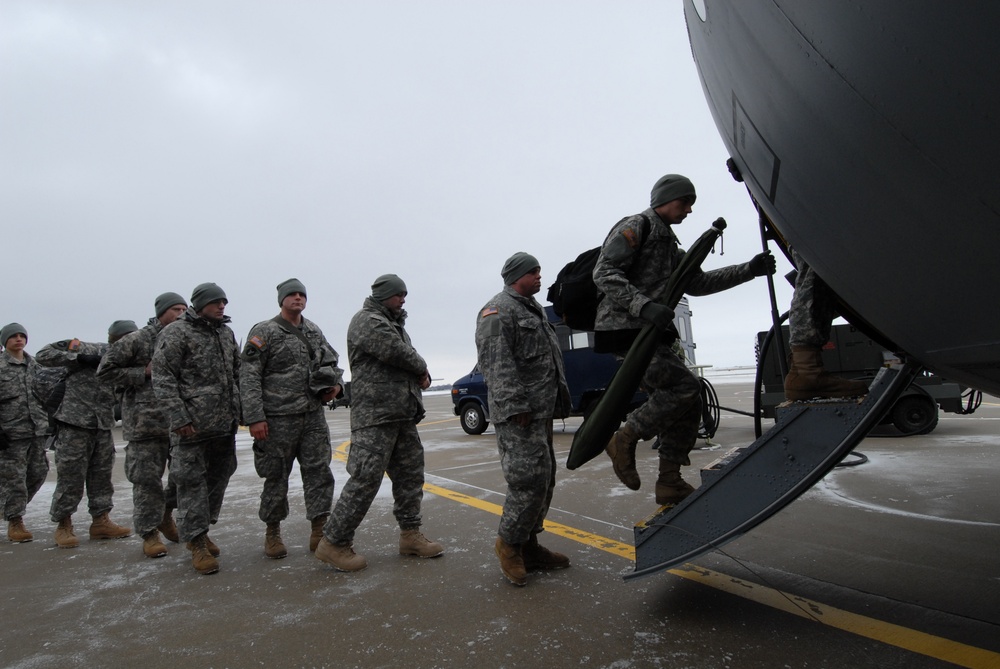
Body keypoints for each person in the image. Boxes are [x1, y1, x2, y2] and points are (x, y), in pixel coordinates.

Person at [593, 173, 775, 505]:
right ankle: (624, 436)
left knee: (690, 398)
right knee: (684, 387)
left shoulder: (669, 244)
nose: (689, 210)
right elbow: (603, 272)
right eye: (685, 202)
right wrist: (644, 306)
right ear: (664, 199)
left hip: (650, 330)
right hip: (624, 328)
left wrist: (749, 269)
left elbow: (698, 284)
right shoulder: (636, 227)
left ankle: (669, 480)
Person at [315, 274, 442, 572]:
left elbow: (403, 359)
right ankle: (333, 542)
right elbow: (394, 351)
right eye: (398, 294)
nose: (403, 299)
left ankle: (410, 535)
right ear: (383, 295)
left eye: (405, 294)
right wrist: (422, 366)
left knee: (411, 475)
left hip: (401, 414)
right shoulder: (367, 320)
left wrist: (420, 374)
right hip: (375, 417)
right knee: (365, 479)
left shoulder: (394, 323)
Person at [475, 253, 572, 586]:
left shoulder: (531, 309)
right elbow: (495, 361)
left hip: (540, 411)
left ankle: (529, 545)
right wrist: (515, 404)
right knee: (526, 481)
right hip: (519, 414)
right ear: (517, 275)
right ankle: (509, 545)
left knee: (544, 480)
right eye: (534, 272)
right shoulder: (497, 310)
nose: (539, 276)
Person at [241, 278, 344, 559]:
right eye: (292, 295)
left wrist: (337, 386)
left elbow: (332, 363)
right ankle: (273, 533)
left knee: (319, 473)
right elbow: (249, 377)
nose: (298, 299)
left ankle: (319, 530)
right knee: (275, 478)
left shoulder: (313, 330)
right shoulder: (265, 332)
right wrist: (254, 417)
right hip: (276, 420)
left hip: (312, 417)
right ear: (282, 300)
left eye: (302, 295)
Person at [152, 283, 240, 575]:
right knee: (191, 483)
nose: (221, 306)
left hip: (223, 426)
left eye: (224, 302)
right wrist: (178, 417)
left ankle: (201, 528)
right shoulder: (176, 332)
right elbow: (163, 377)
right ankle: (197, 543)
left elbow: (238, 374)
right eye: (216, 302)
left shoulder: (226, 333)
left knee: (218, 479)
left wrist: (241, 412)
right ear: (200, 304)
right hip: (191, 428)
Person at [97, 292, 188, 558]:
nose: (181, 314)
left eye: (184, 309)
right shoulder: (137, 339)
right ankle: (149, 534)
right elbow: (104, 373)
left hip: (179, 422)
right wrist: (142, 372)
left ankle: (165, 515)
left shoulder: (185, 337)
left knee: (184, 478)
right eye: (175, 310)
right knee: (147, 482)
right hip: (144, 425)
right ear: (161, 312)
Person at [37, 321, 137, 548]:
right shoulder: (89, 349)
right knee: (70, 477)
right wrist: (78, 358)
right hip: (75, 423)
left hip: (102, 425)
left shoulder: (128, 360)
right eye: (127, 337)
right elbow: (44, 354)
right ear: (115, 338)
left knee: (101, 477)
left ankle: (101, 521)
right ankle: (63, 524)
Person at [783, 250, 869, 400]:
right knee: (813, 271)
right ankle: (807, 374)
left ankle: (806, 374)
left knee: (819, 275)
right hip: (811, 234)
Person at [0, 323, 51, 543]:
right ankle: (15, 520)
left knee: (38, 472)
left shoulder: (35, 366)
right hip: (11, 433)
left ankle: (10, 507)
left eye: (22, 336)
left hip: (37, 430)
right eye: (13, 336)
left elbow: (46, 394)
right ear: (5, 341)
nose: (18, 339)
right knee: (14, 480)